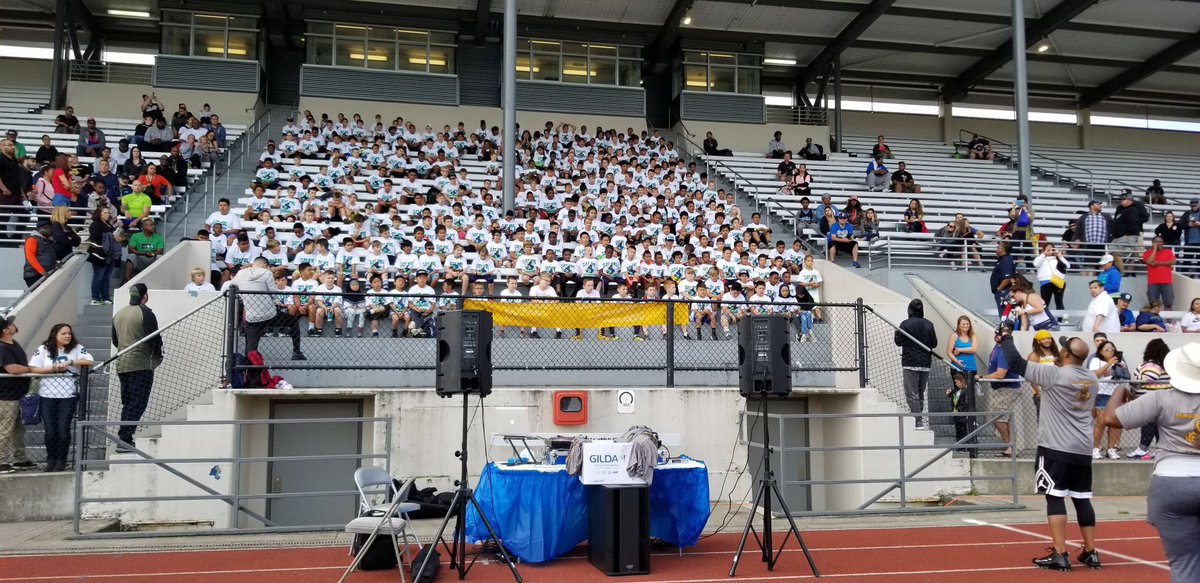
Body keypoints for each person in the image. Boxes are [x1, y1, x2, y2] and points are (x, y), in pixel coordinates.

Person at [997, 327, 1101, 571]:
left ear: (1065, 354)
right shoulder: (1092, 378)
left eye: (1063, 347)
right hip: (1083, 447)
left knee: (1054, 497)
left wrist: (1006, 338)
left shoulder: (1054, 374)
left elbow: (1015, 362)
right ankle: (1091, 552)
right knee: (1082, 498)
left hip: (1055, 446)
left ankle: (1060, 553)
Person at [1102, 343, 1200, 583]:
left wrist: (1120, 390)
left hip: (1171, 482)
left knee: (1185, 562)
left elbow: (1111, 418)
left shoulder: (1160, 398)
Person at [28, 324, 93, 472]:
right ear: (55, 335)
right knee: (50, 431)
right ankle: (51, 460)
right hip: (47, 395)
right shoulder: (44, 349)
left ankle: (61, 460)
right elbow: (33, 368)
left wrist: (71, 362)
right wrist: (52, 369)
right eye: (63, 333)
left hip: (68, 395)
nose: (67, 336)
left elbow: (89, 361)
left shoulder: (76, 348)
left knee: (63, 429)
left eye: (69, 333)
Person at [111, 283, 164, 450]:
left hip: (122, 363)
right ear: (145, 296)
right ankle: (125, 438)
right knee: (138, 402)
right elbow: (154, 338)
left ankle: (123, 438)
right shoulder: (146, 313)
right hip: (141, 364)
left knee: (128, 403)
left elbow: (115, 340)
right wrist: (158, 356)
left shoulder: (119, 314)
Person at [235, 257, 305, 361]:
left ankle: (249, 361)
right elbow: (273, 292)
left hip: (252, 315)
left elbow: (232, 286)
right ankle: (296, 352)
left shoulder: (240, 273)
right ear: (264, 265)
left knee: (251, 346)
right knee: (293, 321)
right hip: (270, 314)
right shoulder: (267, 273)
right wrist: (278, 302)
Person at [0, 316, 40, 473]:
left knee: (18, 430)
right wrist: (31, 369)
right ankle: (1, 461)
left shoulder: (13, 343)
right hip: (6, 396)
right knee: (5, 429)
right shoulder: (2, 348)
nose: (14, 325)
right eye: (11, 324)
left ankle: (20, 459)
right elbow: (12, 369)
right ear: (5, 330)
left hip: (18, 394)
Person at [1126, 338, 1172, 460]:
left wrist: (1136, 379)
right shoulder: (1166, 366)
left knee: (1148, 424)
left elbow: (1150, 376)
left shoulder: (1153, 365)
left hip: (1151, 401)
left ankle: (1142, 449)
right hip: (1163, 400)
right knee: (1157, 426)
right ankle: (1162, 449)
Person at [895, 299, 938, 429]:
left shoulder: (905, 324)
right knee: (920, 393)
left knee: (912, 393)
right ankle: (918, 418)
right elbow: (934, 343)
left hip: (910, 362)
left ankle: (917, 420)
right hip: (925, 363)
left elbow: (898, 342)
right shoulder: (929, 324)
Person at [981, 326, 1021, 457]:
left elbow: (1000, 374)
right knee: (1004, 418)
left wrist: (982, 377)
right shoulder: (997, 346)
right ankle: (1011, 447)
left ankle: (1010, 447)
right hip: (999, 389)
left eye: (1001, 334)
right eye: (997, 333)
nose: (997, 335)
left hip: (1007, 388)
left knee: (997, 417)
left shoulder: (1005, 350)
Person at [1088, 339, 1127, 460]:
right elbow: (1094, 375)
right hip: (1102, 393)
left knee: (1115, 423)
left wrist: (1123, 368)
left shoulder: (1119, 361)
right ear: (1100, 351)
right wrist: (1108, 364)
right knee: (1101, 422)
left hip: (1116, 394)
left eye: (1112, 349)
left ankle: (1111, 449)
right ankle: (1095, 448)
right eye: (1107, 349)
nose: (1110, 351)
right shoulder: (1096, 360)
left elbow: (1126, 377)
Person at [87, 206, 120, 305]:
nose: (107, 215)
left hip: (110, 254)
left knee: (106, 277)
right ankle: (95, 297)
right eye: (105, 213)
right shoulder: (95, 224)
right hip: (99, 253)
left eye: (108, 213)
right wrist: (111, 235)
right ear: (99, 213)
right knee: (99, 276)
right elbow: (95, 235)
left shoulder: (109, 224)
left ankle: (105, 297)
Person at [1111, 191, 1150, 273]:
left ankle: (1146, 267)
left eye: (1123, 199)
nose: (1121, 201)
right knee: (1123, 252)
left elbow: (1145, 217)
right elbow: (1116, 219)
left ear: (1129, 200)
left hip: (1135, 231)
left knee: (1138, 251)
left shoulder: (1138, 206)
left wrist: (1134, 222)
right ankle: (1127, 270)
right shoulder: (1120, 208)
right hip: (1121, 234)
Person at [1032, 242, 1069, 322]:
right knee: (1045, 303)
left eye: (1052, 249)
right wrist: (1044, 254)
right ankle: (1045, 320)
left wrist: (1060, 256)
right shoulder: (1040, 258)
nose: (1050, 251)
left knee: (1059, 301)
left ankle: (1060, 320)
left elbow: (1068, 265)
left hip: (1058, 281)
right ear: (1044, 250)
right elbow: (1035, 264)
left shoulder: (1057, 258)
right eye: (1048, 249)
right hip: (1045, 282)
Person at [1027, 330, 1060, 417]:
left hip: (1057, 394)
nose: (1047, 340)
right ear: (1038, 341)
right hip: (1043, 394)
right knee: (1044, 421)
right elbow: (1031, 377)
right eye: (1043, 339)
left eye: (1048, 338)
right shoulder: (1034, 356)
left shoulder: (1056, 354)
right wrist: (1039, 393)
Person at [1144, 236, 1176, 310]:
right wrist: (1154, 249)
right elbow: (1150, 262)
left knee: (1168, 303)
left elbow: (1173, 262)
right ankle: (1154, 317)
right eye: (1157, 242)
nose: (1159, 243)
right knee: (1153, 303)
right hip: (1153, 282)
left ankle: (1169, 318)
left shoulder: (1168, 251)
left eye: (1161, 242)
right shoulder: (1147, 253)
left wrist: (1158, 263)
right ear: (1152, 243)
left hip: (1166, 281)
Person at [23, 218, 56, 287]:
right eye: (45, 228)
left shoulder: (47, 240)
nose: (48, 229)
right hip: (34, 275)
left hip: (42, 274)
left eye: (49, 228)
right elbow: (30, 257)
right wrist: (42, 271)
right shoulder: (32, 239)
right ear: (39, 229)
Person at [989, 242, 1015, 318]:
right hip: (1002, 291)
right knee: (1004, 314)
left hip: (1004, 291)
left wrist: (999, 289)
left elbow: (1008, 278)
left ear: (1003, 249)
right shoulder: (1002, 259)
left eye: (999, 247)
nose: (997, 247)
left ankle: (1006, 325)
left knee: (1005, 314)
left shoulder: (1006, 260)